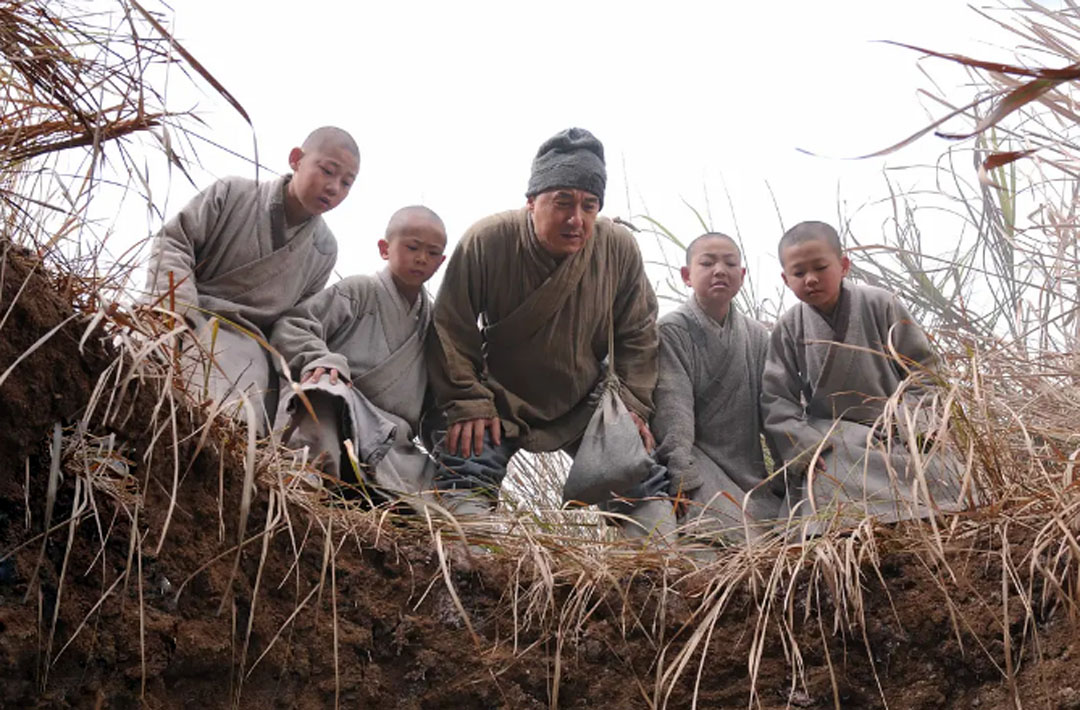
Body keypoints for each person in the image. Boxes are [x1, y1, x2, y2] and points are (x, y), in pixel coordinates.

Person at [424, 127, 672, 538]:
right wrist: (468, 401)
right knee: (466, 464)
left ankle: (654, 575)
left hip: (584, 396)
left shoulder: (618, 248)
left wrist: (631, 405)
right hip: (497, 395)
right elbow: (452, 328)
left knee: (640, 473)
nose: (577, 219)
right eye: (563, 203)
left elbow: (639, 334)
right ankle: (472, 565)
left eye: (589, 206)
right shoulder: (488, 240)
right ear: (531, 202)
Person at [145, 126, 360, 432]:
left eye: (346, 183)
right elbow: (174, 242)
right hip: (181, 311)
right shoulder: (233, 192)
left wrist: (317, 359)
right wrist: (176, 310)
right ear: (296, 159)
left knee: (231, 415)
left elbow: (294, 320)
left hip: (247, 344)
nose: (334, 187)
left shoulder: (324, 249)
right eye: (327, 171)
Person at [761, 220, 963, 533]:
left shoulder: (881, 304)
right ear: (786, 280)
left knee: (945, 474)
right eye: (799, 273)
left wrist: (917, 427)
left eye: (820, 267)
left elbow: (924, 371)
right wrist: (803, 446)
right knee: (827, 473)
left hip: (894, 428)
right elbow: (776, 399)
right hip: (832, 437)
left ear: (843, 266)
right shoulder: (789, 327)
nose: (811, 279)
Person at [270, 206, 447, 498]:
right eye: (413, 247)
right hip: (343, 411)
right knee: (325, 388)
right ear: (384, 249)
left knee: (441, 492)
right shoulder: (358, 290)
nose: (421, 259)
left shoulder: (433, 326)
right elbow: (293, 326)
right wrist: (322, 359)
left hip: (393, 443)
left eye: (432, 253)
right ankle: (306, 481)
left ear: (441, 262)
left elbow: (435, 401)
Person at [652, 233, 782, 544]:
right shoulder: (672, 330)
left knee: (785, 533)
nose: (719, 270)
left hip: (748, 467)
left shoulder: (756, 336)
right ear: (686, 276)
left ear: (742, 275)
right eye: (707, 263)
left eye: (730, 263)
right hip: (699, 460)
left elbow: (773, 407)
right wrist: (680, 471)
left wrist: (790, 462)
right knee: (734, 535)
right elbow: (674, 406)